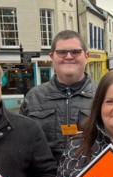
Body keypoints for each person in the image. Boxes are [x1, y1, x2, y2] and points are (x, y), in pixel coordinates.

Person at [20, 30, 96, 162]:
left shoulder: (102, 96)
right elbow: (21, 144)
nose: (68, 56)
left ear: (87, 56)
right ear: (52, 57)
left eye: (75, 52)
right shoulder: (34, 98)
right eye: (61, 52)